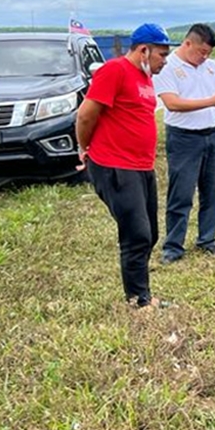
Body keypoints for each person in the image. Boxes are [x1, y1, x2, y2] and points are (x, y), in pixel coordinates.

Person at [76, 23, 172, 308]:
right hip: (114, 165)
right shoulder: (115, 71)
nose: (164, 62)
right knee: (136, 235)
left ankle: (143, 292)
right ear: (144, 49)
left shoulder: (144, 77)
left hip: (141, 166)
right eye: (161, 55)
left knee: (150, 234)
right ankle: (138, 300)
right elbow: (85, 116)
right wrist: (85, 149)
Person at [152, 23, 215, 264]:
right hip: (183, 137)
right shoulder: (168, 67)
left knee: (213, 190)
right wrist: (213, 100)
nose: (205, 57)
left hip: (212, 134)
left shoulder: (211, 67)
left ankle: (207, 239)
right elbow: (172, 103)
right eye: (202, 51)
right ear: (187, 43)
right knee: (181, 193)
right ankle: (173, 246)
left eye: (209, 53)